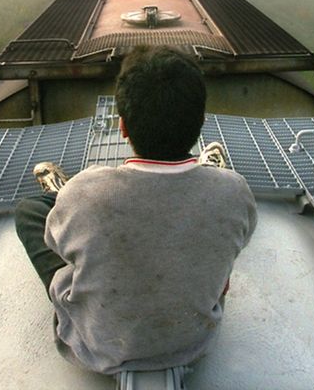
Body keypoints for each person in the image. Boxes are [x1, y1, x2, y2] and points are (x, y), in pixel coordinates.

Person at [14, 45, 258, 375]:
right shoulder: (235, 191)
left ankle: (58, 195)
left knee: (32, 211)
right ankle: (205, 168)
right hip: (192, 344)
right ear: (200, 123)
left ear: (123, 127)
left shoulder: (86, 190)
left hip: (95, 348)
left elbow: (61, 249)